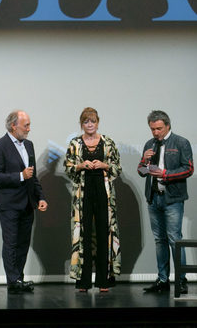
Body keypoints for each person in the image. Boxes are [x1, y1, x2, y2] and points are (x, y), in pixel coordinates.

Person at [0, 110, 48, 294]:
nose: (29, 129)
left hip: (28, 203)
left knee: (23, 243)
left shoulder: (29, 145)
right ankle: (12, 281)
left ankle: (18, 279)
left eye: (29, 124)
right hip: (9, 204)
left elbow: (33, 176)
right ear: (13, 125)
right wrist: (20, 176)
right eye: (26, 125)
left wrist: (41, 197)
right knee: (11, 243)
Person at [64, 107, 121, 292]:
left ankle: (104, 281)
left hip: (104, 193)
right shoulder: (74, 143)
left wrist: (104, 165)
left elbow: (117, 168)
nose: (90, 125)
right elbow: (68, 168)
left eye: (93, 121)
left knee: (105, 233)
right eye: (86, 122)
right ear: (81, 124)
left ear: (98, 122)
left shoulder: (108, 142)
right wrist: (80, 165)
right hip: (83, 194)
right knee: (84, 235)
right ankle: (84, 282)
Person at [137, 109, 193, 295]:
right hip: (154, 198)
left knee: (175, 240)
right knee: (159, 240)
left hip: (172, 199)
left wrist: (165, 174)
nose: (155, 132)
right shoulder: (149, 143)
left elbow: (188, 169)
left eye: (159, 128)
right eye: (152, 129)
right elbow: (141, 171)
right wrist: (144, 162)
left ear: (168, 126)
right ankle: (162, 280)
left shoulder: (181, 142)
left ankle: (181, 280)